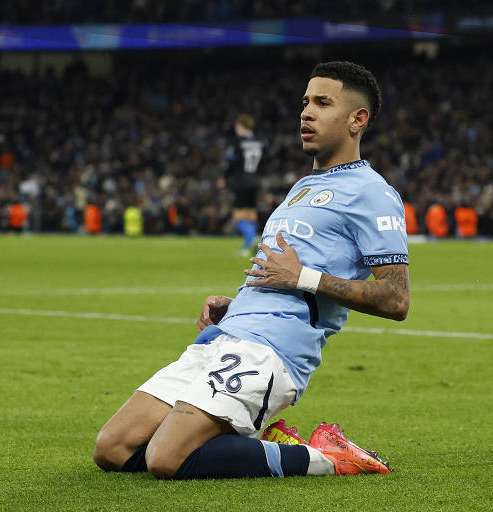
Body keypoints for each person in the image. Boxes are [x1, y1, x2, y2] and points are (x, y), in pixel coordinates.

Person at [93, 61, 410, 480]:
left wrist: (302, 278)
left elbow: (396, 299)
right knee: (112, 449)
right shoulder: (302, 188)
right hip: (224, 336)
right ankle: (238, 441)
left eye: (322, 103)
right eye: (304, 102)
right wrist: (235, 304)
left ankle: (327, 457)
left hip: (272, 351)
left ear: (358, 119)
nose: (306, 113)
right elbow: (276, 274)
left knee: (165, 459)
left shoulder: (373, 194)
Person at [225, 114, 264, 256]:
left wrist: (225, 177)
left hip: (241, 181)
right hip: (254, 180)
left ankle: (253, 238)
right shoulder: (259, 141)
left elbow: (231, 162)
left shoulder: (237, 143)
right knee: (251, 214)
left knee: (238, 215)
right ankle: (247, 248)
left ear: (241, 126)